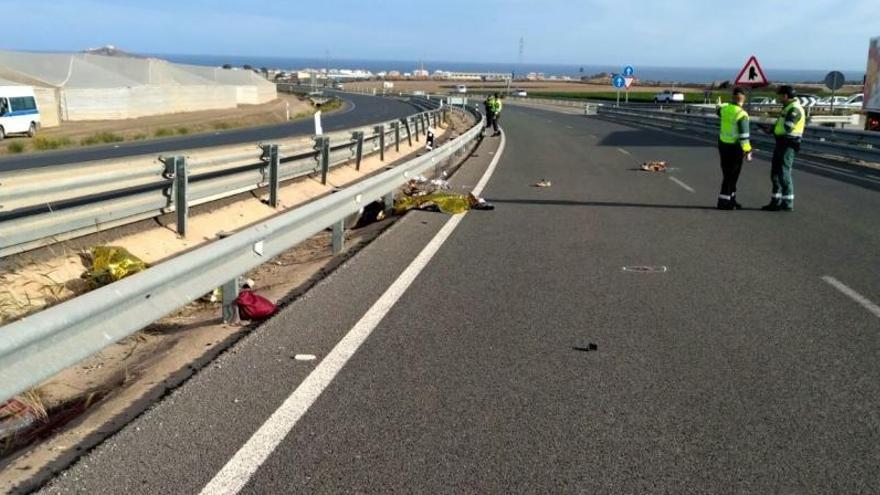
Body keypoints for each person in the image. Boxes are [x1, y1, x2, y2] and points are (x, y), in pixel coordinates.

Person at [761, 85, 805, 211]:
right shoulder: (787, 108)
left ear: (786, 95)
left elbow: (788, 127)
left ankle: (787, 203)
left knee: (784, 173)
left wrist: (774, 130)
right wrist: (770, 129)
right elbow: (781, 126)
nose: (779, 98)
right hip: (781, 143)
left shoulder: (795, 109)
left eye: (780, 95)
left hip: (789, 144)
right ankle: (775, 201)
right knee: (775, 173)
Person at [715, 87, 752, 210]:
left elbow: (718, 111)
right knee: (732, 175)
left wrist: (719, 105)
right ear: (743, 99)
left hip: (723, 145)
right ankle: (723, 201)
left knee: (727, 173)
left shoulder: (725, 109)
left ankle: (731, 200)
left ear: (733, 97)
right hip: (735, 148)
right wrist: (747, 150)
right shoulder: (742, 114)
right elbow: (744, 136)